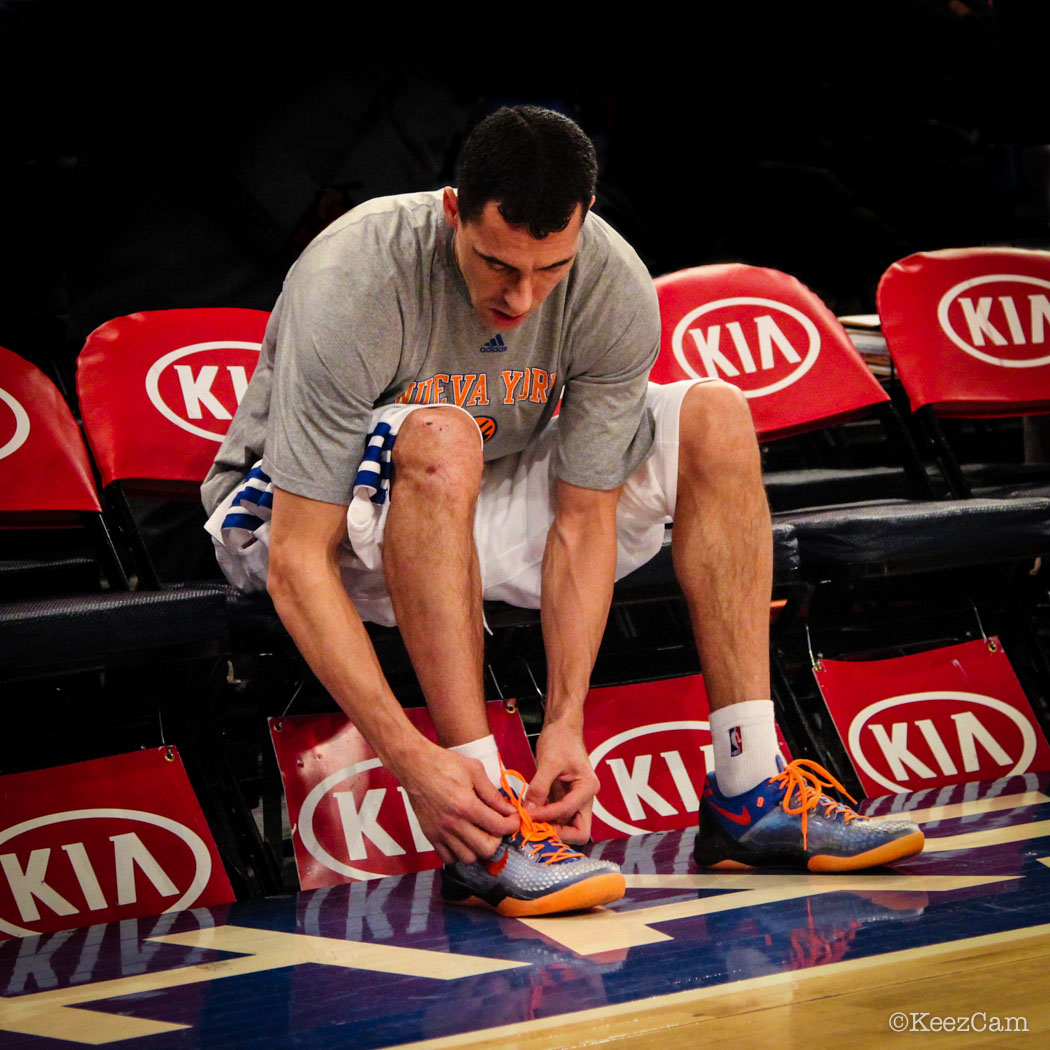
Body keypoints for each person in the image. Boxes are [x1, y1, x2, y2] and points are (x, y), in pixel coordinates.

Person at [203, 105, 923, 917]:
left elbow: (583, 519)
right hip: (302, 518)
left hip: (474, 486)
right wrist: (412, 759)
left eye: (549, 270)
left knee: (715, 416)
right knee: (445, 434)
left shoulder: (611, 281)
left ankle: (749, 787)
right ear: (452, 211)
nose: (521, 296)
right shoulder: (356, 272)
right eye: (497, 264)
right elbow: (298, 558)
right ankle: (482, 824)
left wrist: (566, 722)